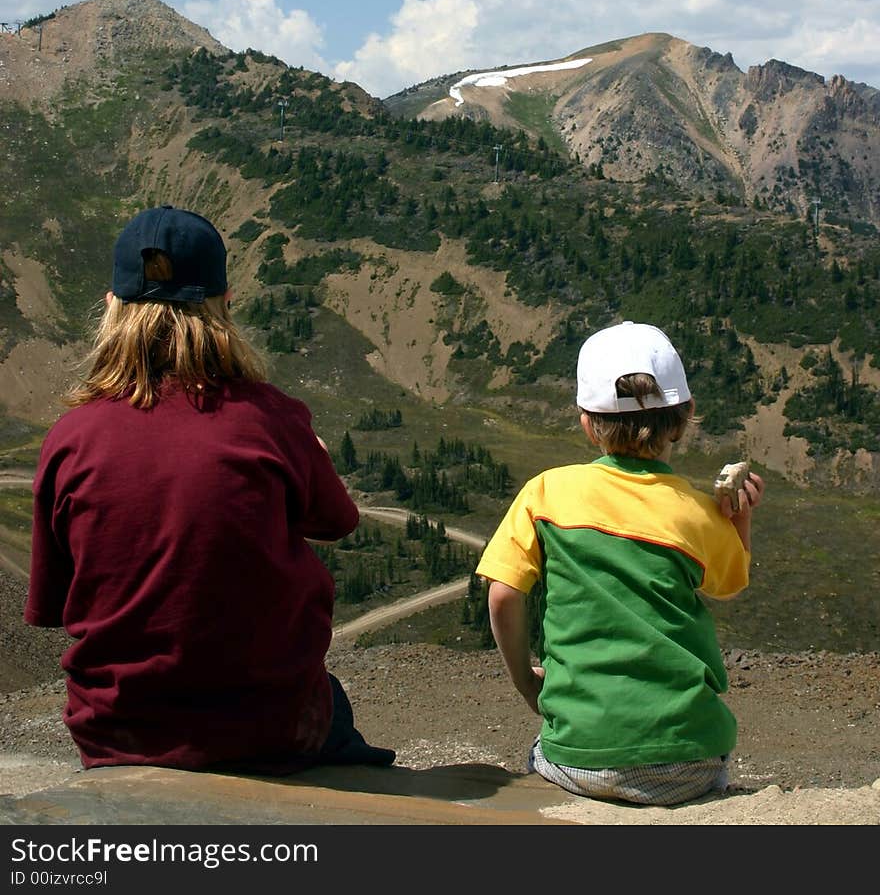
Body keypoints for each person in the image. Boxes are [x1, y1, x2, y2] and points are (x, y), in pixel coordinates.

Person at [24, 204, 394, 774]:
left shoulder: (70, 437)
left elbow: (55, 601)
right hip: (272, 727)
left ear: (111, 308)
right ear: (225, 304)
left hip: (118, 733)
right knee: (336, 716)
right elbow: (337, 522)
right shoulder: (269, 417)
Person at [476, 319, 764, 806]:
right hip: (688, 759)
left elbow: (503, 593)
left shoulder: (546, 492)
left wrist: (527, 682)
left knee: (544, 760)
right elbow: (729, 584)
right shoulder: (696, 511)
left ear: (587, 421)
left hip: (578, 756)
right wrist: (739, 520)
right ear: (686, 413)